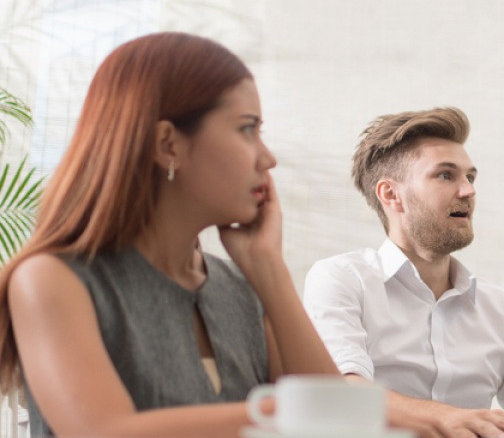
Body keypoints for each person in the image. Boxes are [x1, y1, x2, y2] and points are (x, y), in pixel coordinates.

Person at [0, 32, 341, 437]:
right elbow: (104, 433)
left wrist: (269, 270)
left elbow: (339, 428)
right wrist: (285, 414)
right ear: (167, 144)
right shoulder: (52, 279)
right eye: (247, 129)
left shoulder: (242, 289)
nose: (267, 158)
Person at [303, 107, 504, 437]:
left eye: (470, 177)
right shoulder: (342, 279)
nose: (468, 191)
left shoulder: (501, 309)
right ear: (391, 194)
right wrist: (447, 418)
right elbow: (343, 391)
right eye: (446, 175)